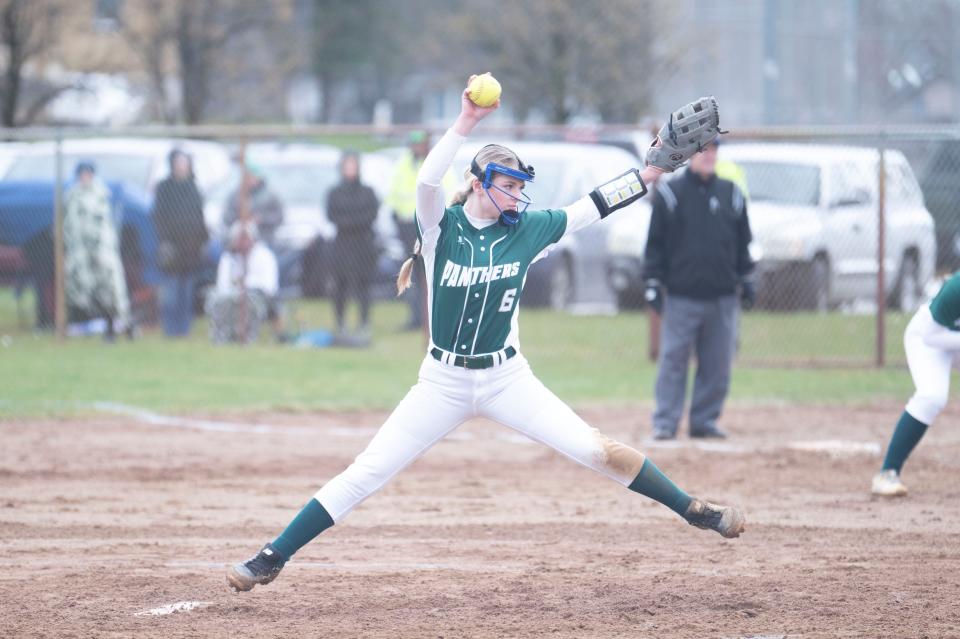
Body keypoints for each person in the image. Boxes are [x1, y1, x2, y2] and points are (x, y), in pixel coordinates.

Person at [226, 79, 744, 593]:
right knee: (366, 472)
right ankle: (272, 557)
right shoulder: (441, 227)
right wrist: (466, 123)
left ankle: (693, 510)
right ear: (480, 184)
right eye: (510, 186)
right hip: (442, 383)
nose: (519, 196)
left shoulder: (528, 230)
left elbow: (593, 206)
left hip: (506, 379)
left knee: (596, 451)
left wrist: (650, 172)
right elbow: (428, 182)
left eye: (522, 188)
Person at [643, 138, 754, 441]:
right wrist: (652, 283)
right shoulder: (671, 194)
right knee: (673, 361)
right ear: (690, 155)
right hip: (681, 296)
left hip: (722, 297)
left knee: (717, 364)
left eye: (714, 150)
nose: (709, 156)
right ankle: (665, 421)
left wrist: (747, 278)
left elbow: (743, 242)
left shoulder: (731, 193)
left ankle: (704, 420)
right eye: (703, 150)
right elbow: (654, 246)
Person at [872, 272, 960, 496]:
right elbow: (932, 336)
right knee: (932, 396)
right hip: (929, 341)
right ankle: (887, 473)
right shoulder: (955, 289)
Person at [387, 130, 455, 331]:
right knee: (413, 274)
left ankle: (436, 317)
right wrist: (396, 217)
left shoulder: (438, 164)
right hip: (407, 227)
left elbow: (450, 192)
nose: (417, 147)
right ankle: (417, 317)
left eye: (421, 143)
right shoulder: (403, 165)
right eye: (414, 143)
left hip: (431, 228)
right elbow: (394, 193)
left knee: (434, 273)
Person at [63, 161, 131, 340]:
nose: (85, 177)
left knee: (110, 286)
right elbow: (71, 226)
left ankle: (117, 323)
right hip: (81, 251)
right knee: (82, 285)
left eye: (88, 174)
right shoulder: (72, 196)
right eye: (82, 174)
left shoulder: (101, 194)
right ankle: (83, 322)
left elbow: (104, 225)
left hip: (102, 249)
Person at [152, 150, 208, 337]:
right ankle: (170, 329)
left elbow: (200, 218)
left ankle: (184, 329)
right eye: (178, 163)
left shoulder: (193, 188)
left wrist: (202, 241)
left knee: (187, 292)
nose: (182, 167)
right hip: (171, 249)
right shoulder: (164, 188)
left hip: (191, 250)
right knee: (171, 293)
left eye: (185, 163)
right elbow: (158, 217)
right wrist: (166, 241)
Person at [327, 150, 380, 339]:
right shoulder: (335, 192)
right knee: (339, 286)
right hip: (342, 245)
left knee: (363, 286)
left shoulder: (367, 192)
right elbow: (332, 216)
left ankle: (364, 323)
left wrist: (351, 221)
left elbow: (371, 215)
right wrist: (352, 221)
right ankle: (340, 324)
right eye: (346, 166)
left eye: (353, 165)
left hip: (363, 245)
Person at [205, 221, 278, 344]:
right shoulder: (228, 257)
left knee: (248, 301)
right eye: (238, 238)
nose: (242, 242)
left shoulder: (264, 255)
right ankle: (221, 337)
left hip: (258, 296)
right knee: (216, 298)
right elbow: (222, 283)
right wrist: (236, 287)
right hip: (229, 294)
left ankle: (248, 337)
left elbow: (269, 286)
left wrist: (244, 283)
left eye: (245, 238)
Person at [224, 162, 284, 253]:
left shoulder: (270, 196)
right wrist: (240, 220)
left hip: (265, 240)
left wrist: (261, 219)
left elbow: (279, 217)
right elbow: (226, 217)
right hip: (239, 244)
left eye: (251, 176)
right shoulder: (235, 196)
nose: (248, 179)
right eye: (246, 177)